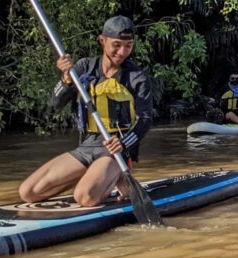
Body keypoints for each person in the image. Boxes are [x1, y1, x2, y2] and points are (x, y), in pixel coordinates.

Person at [18, 16, 153, 207]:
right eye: (116, 45)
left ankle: (115, 175)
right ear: (102, 40)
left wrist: (123, 144)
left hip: (116, 149)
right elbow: (54, 104)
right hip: (88, 144)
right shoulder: (82, 68)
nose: (122, 52)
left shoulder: (137, 77)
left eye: (128, 46)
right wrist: (66, 80)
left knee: (84, 197)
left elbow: (145, 120)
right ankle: (97, 175)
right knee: (28, 192)